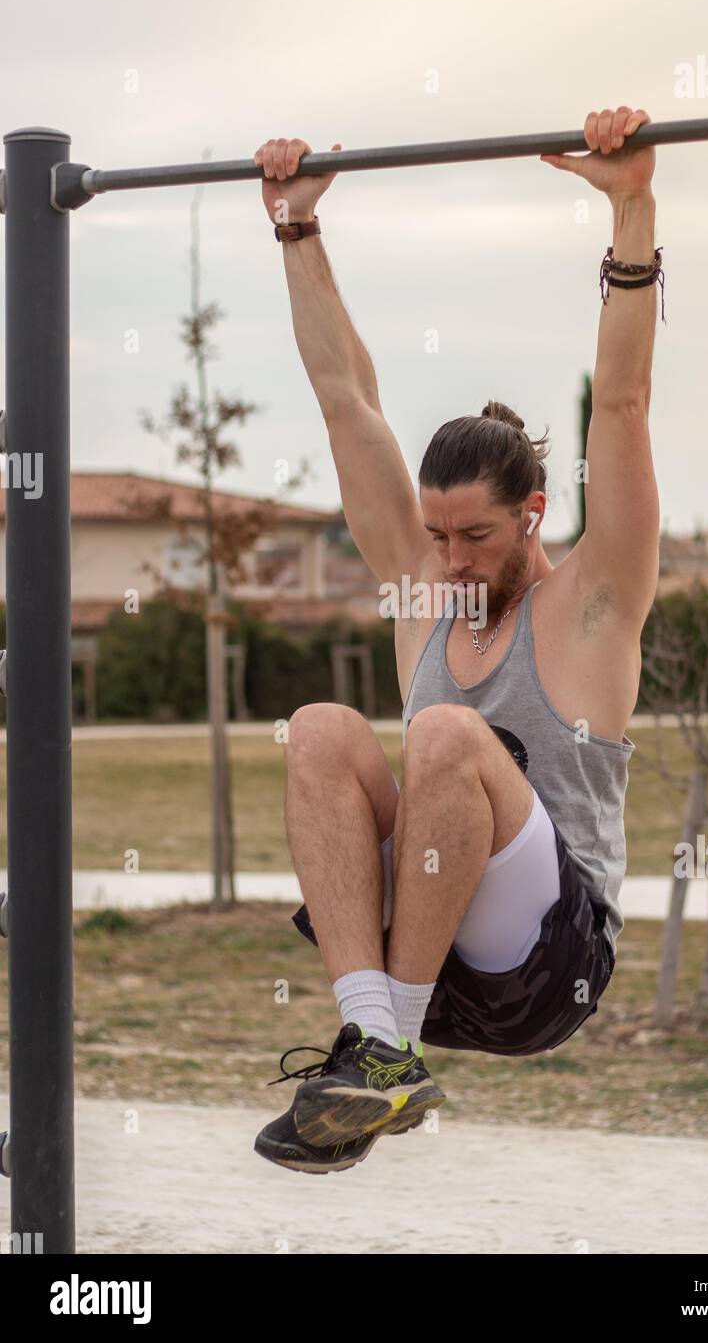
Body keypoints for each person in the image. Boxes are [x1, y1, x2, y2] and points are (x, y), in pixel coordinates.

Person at [253, 107, 661, 1173]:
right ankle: (370, 1042)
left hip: (547, 960)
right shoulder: (424, 587)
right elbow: (347, 402)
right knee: (317, 729)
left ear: (531, 513)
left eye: (474, 535)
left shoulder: (593, 603)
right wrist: (296, 229)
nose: (448, 560)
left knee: (439, 734)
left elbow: (619, 402)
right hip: (423, 970)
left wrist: (628, 206)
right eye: (435, 535)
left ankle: (382, 1047)